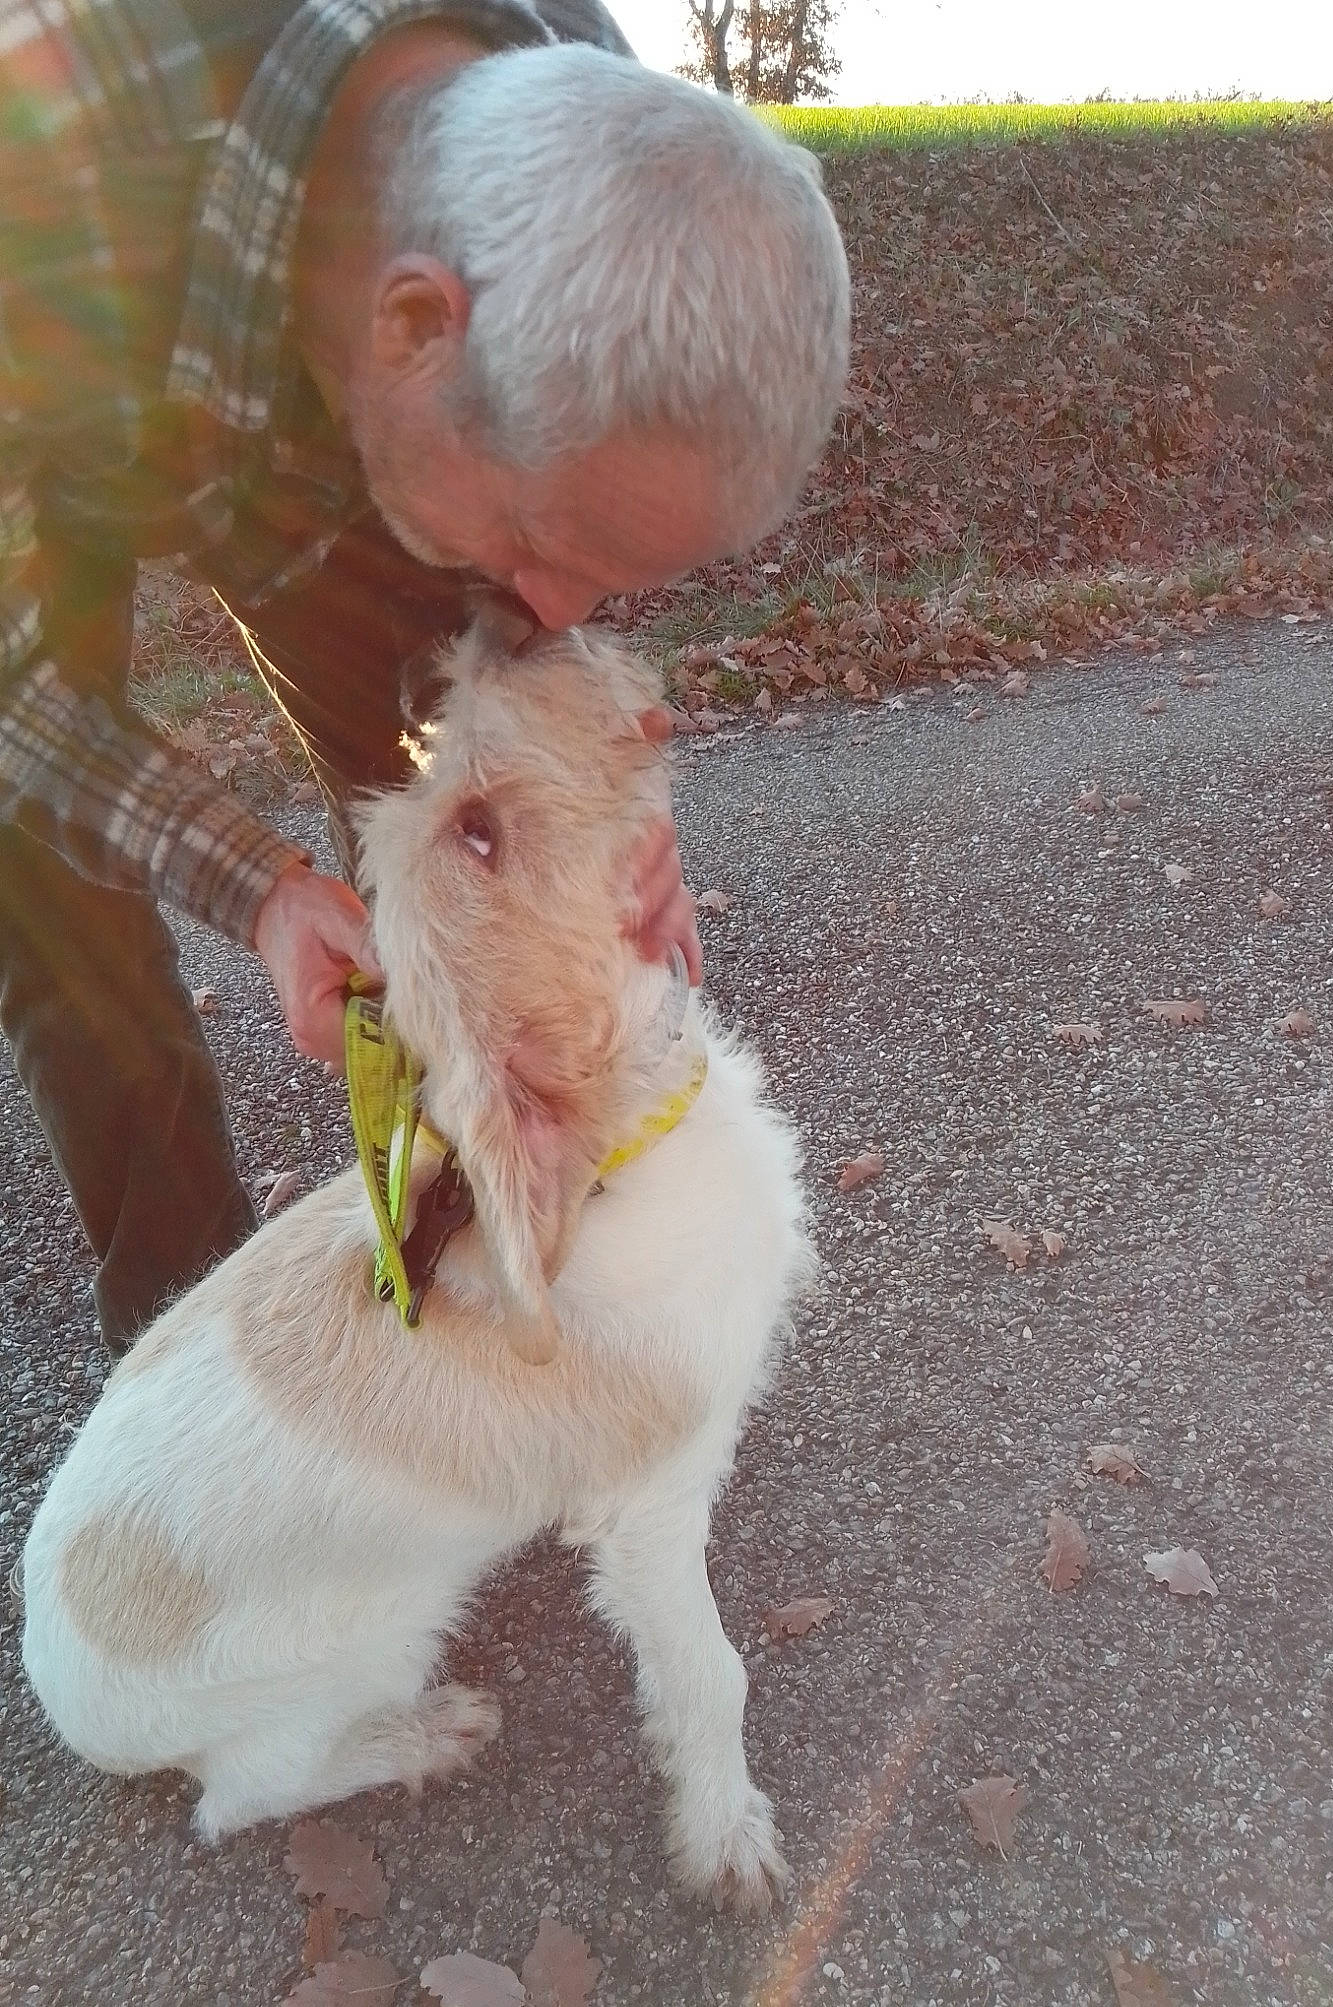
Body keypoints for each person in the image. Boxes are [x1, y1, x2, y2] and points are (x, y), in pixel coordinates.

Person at [0, 0, 851, 1355]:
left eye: (611, 582)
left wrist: (582, 789)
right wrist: (259, 889)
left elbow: (559, 553)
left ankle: (483, 1285)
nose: (556, 616)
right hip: (56, 405)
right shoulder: (40, 138)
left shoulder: (596, 121)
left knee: (465, 875)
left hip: (315, 438)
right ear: (412, 323)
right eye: (542, 546)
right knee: (49, 894)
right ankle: (195, 1360)